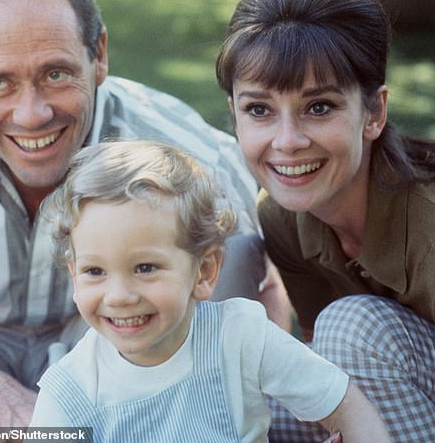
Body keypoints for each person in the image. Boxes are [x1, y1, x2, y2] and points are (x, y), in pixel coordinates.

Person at [0, 0, 278, 431]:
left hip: (119, 338)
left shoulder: (187, 156)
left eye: (55, 74)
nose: (31, 115)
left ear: (99, 56)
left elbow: (254, 296)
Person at [215, 0, 435, 443]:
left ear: (374, 113)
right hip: (432, 396)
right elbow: (327, 375)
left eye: (319, 107)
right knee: (236, 405)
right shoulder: (282, 215)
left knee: (354, 329)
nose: (287, 142)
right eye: (259, 110)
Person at [29, 139, 391, 443]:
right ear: (74, 275)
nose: (119, 295)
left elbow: (342, 401)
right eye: (95, 271)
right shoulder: (69, 394)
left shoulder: (238, 336)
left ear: (204, 271)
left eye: (145, 268)